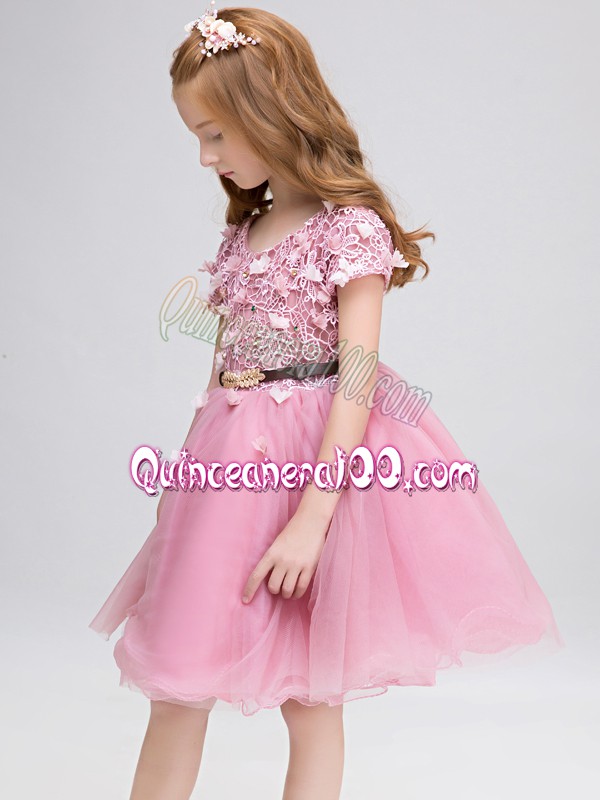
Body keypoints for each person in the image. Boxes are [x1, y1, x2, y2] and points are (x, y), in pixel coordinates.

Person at [88, 5, 564, 799]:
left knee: (311, 699)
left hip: (315, 471)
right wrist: (187, 477)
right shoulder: (246, 232)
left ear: (270, 111)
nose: (206, 157)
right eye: (197, 138)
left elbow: (358, 376)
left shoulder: (349, 230)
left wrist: (313, 519)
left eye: (215, 134)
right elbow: (224, 363)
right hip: (227, 472)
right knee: (177, 683)